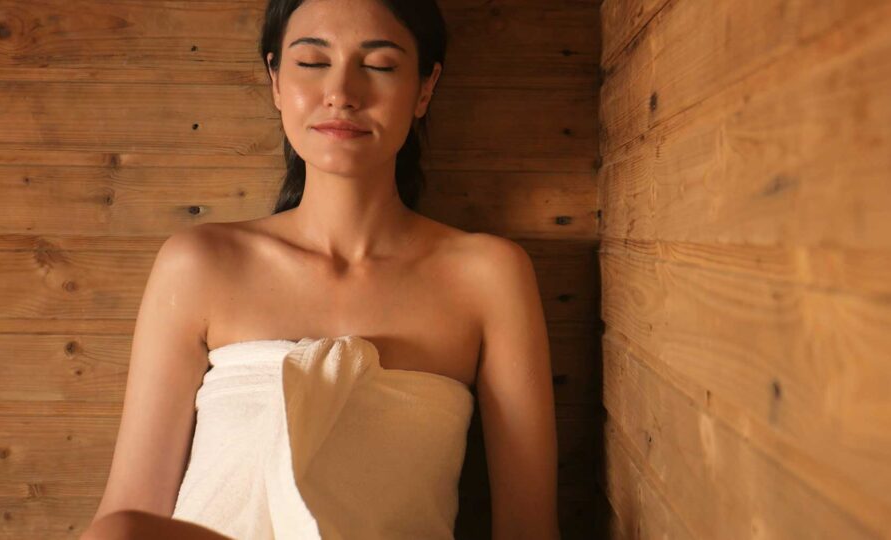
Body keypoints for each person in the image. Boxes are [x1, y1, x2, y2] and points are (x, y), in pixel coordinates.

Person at [82, 0, 560, 538]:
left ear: (425, 89)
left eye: (379, 66)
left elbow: (529, 528)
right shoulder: (199, 265)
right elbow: (132, 504)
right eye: (312, 63)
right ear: (276, 82)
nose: (342, 93)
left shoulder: (488, 275)